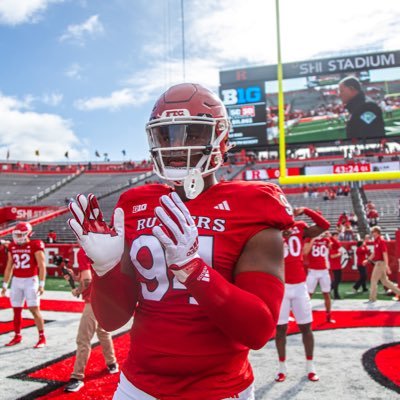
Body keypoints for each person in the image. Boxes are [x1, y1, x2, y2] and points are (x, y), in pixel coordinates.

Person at [67, 83, 294, 400]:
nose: (177, 145)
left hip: (220, 390)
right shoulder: (135, 204)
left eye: (193, 133)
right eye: (167, 135)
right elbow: (113, 318)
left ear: (220, 137)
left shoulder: (252, 204)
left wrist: (193, 269)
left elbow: (258, 331)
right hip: (138, 387)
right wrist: (105, 269)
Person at [275, 207, 330, 383]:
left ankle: (310, 366)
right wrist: (280, 236)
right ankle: (282, 367)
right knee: (281, 328)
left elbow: (324, 225)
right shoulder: (272, 229)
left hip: (299, 285)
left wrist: (306, 210)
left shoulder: (299, 227)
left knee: (306, 327)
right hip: (281, 286)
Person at [63, 247, 119, 392]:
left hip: (94, 299)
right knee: (103, 332)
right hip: (107, 297)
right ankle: (112, 363)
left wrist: (77, 290)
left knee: (83, 339)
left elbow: (87, 280)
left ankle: (77, 377)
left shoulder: (84, 250)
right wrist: (75, 277)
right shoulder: (103, 246)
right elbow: (91, 275)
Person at [1, 222, 47, 348]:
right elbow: (9, 266)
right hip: (16, 280)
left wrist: (42, 283)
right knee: (16, 310)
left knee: (34, 309)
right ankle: (17, 335)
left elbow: (42, 265)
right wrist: (5, 284)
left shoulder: (35, 244)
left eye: (21, 234)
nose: (18, 236)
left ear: (28, 233)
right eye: (17, 234)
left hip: (30, 280)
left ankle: (42, 337)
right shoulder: (12, 246)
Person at [304, 231, 334, 322]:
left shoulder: (326, 240)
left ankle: (328, 315)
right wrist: (313, 240)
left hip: (324, 271)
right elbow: (305, 252)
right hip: (313, 271)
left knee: (326, 293)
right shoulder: (309, 239)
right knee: (308, 294)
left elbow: (332, 247)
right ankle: (305, 316)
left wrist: (329, 237)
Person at [366, 226, 400, 303]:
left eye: (373, 232)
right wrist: (368, 260)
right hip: (379, 262)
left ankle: (372, 298)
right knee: (385, 282)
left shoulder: (381, 241)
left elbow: (385, 253)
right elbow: (374, 253)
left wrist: (387, 266)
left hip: (380, 263)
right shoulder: (376, 241)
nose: (372, 233)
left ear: (377, 232)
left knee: (373, 279)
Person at [329, 232, 343, 299]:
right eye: (335, 236)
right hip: (334, 265)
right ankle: (335, 294)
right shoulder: (332, 245)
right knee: (336, 280)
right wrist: (339, 254)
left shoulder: (336, 245)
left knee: (337, 280)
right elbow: (331, 256)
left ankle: (332, 291)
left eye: (337, 236)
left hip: (337, 264)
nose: (337, 237)